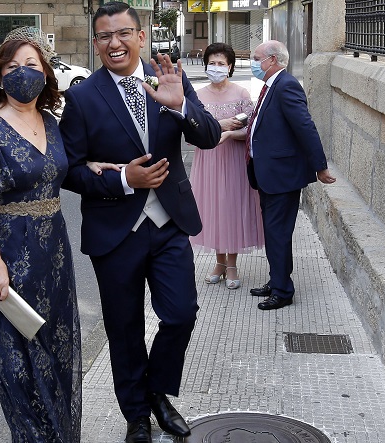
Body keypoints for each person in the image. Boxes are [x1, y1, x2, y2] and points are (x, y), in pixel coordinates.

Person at [59, 3, 221, 443]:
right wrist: (123, 178)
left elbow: (208, 136)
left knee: (182, 313)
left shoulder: (167, 77)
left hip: (169, 224)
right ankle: (136, 416)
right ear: (96, 44)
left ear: (141, 36)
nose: (115, 43)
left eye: (123, 33)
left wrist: (183, 102)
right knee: (124, 327)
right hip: (115, 231)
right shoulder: (82, 98)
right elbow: (70, 170)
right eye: (105, 36)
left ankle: (156, 391)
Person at [0, 27, 102, 442]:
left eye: (31, 65)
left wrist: (95, 167)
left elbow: (56, 171)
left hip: (54, 255)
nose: (22, 73)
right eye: (12, 66)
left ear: (46, 73)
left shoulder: (50, 122)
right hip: (10, 257)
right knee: (19, 363)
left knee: (58, 349)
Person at [246, 40, 336, 310]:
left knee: (278, 233)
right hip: (268, 173)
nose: (253, 63)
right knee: (273, 233)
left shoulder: (286, 86)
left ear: (272, 60)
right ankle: (277, 281)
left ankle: (283, 291)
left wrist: (320, 166)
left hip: (282, 176)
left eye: (256, 58)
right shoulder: (270, 87)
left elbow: (305, 126)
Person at [189, 42, 264, 290]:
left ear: (230, 67)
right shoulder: (198, 96)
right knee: (212, 207)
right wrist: (220, 125)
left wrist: (232, 134)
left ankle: (231, 264)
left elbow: (252, 129)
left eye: (221, 63)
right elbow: (193, 129)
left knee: (232, 207)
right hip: (208, 158)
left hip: (233, 159)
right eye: (212, 63)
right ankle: (219, 262)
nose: (217, 67)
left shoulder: (242, 94)